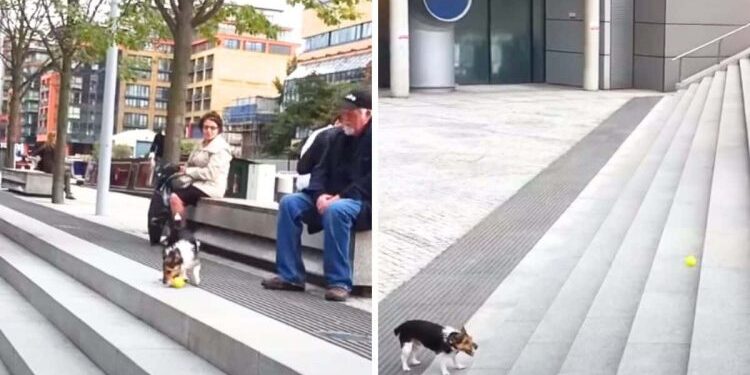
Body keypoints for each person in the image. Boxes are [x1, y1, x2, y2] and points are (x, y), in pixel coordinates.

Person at [262, 89, 372, 302]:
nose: (345, 118)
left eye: (351, 113)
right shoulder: (336, 137)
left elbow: (369, 180)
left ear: (367, 114)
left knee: (336, 209)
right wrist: (320, 194)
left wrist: (339, 197)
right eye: (343, 112)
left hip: (360, 201)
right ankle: (290, 275)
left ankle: (339, 282)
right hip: (328, 197)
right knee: (289, 203)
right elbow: (319, 171)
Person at [169, 111, 232, 227]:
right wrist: (182, 168)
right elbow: (190, 163)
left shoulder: (221, 149)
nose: (208, 131)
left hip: (210, 187)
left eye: (213, 128)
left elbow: (211, 173)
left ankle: (179, 231)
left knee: (175, 198)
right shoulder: (200, 145)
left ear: (219, 130)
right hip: (197, 184)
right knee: (172, 188)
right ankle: (177, 226)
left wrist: (188, 171)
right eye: (206, 127)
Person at [295, 117, 341, 191]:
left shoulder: (320, 133)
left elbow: (302, 167)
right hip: (314, 184)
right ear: (338, 122)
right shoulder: (330, 136)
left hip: (304, 182)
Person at [30, 131, 75, 200]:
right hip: (52, 168)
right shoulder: (55, 147)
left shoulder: (45, 145)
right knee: (67, 172)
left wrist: (38, 159)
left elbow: (33, 154)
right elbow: (60, 159)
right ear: (54, 137)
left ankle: (67, 191)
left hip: (45, 168)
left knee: (66, 171)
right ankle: (67, 192)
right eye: (56, 137)